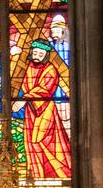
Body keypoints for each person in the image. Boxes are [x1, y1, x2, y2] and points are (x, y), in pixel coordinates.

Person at [17, 39, 71, 179]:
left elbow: (45, 90)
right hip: (30, 113)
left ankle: (57, 174)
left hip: (46, 111)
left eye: (40, 54)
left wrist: (25, 99)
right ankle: (35, 175)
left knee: (45, 142)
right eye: (35, 53)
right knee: (31, 144)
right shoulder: (25, 68)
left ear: (45, 55)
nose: (37, 56)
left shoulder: (50, 69)